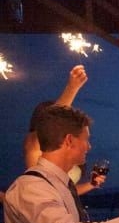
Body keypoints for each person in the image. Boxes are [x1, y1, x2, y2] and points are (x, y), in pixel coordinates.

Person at [23, 65, 106, 196]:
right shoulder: (34, 144)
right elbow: (51, 120)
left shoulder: (64, 151)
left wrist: (91, 184)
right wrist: (72, 88)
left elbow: (67, 193)